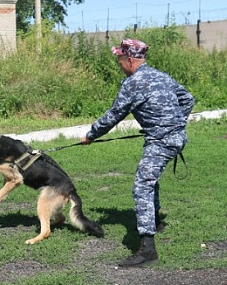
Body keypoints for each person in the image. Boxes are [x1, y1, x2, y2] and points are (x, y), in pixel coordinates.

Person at [82, 38, 195, 267]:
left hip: (161, 141)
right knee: (150, 179)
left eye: (120, 59)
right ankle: (156, 221)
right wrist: (176, 124)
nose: (119, 64)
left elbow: (114, 115)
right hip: (176, 137)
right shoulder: (161, 75)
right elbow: (188, 99)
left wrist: (91, 135)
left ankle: (147, 249)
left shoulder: (133, 83)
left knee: (142, 186)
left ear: (130, 59)